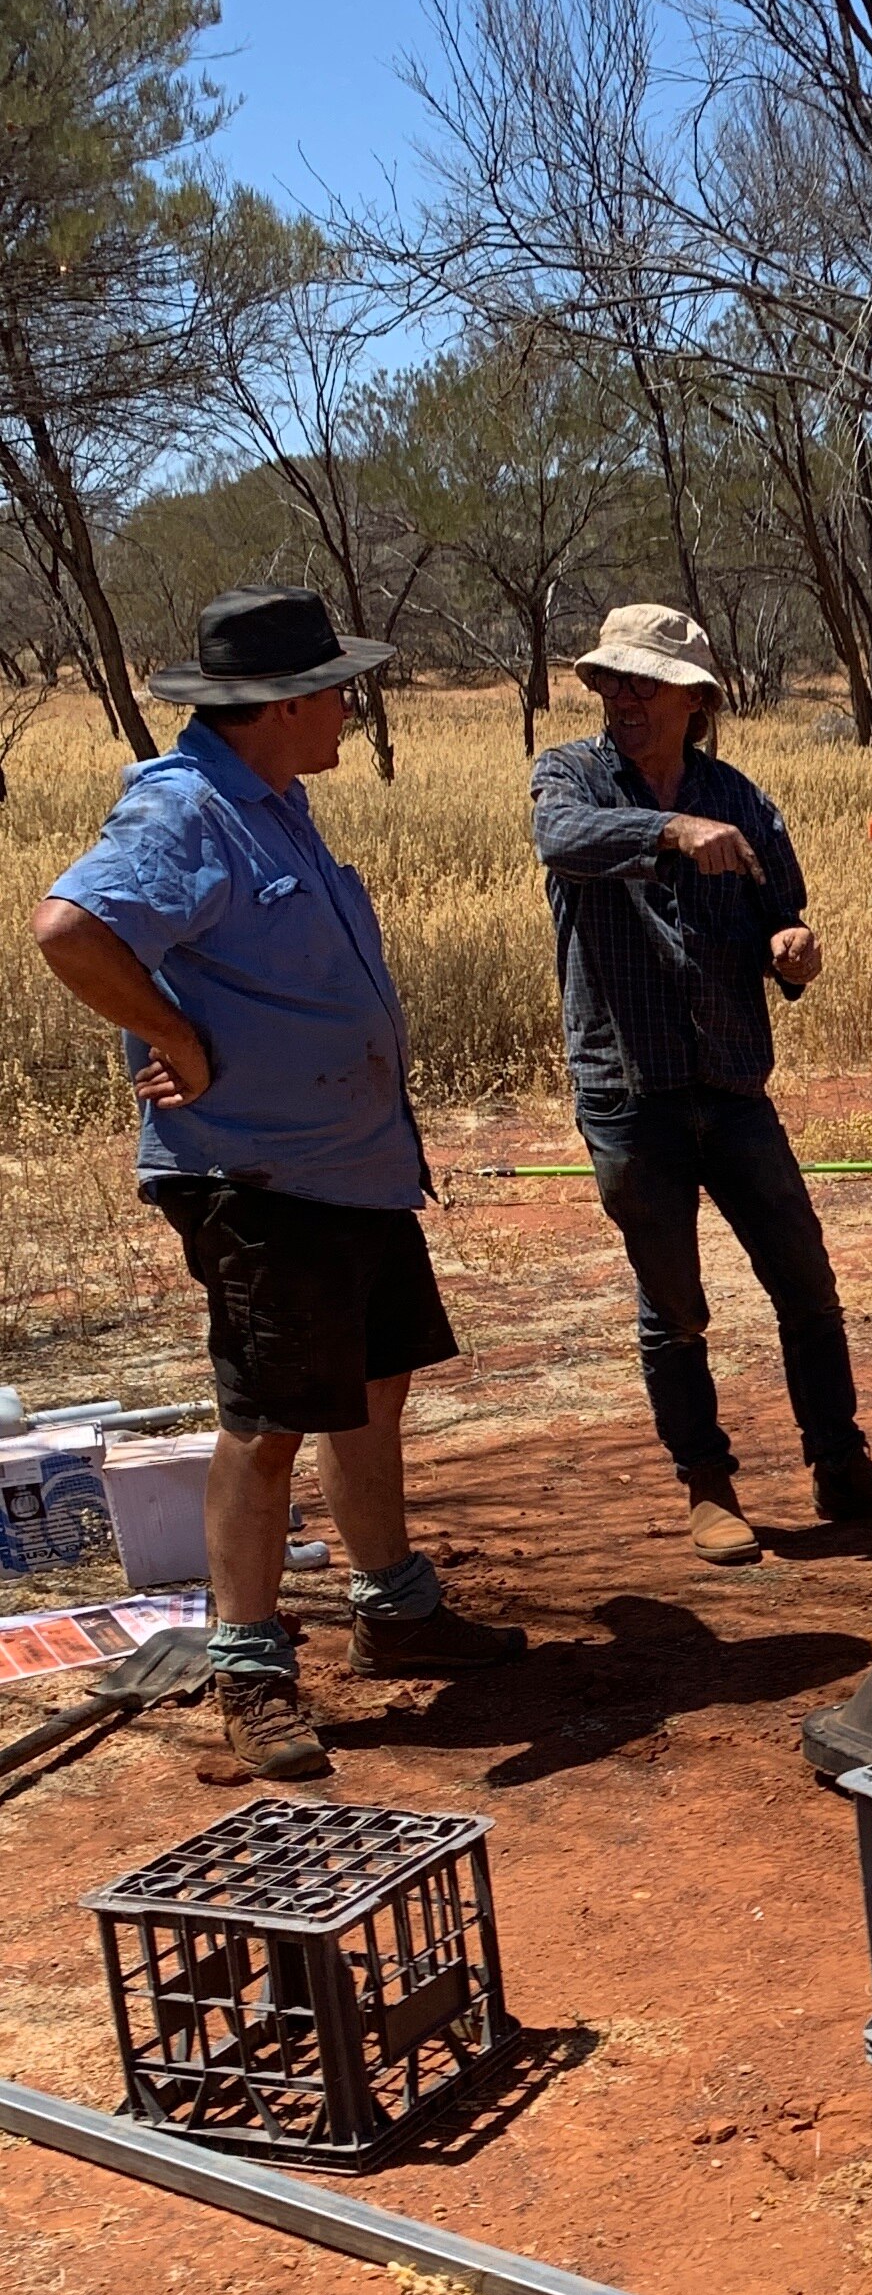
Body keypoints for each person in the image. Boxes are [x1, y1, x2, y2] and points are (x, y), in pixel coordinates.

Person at [33, 588, 528, 1784]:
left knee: (368, 1391)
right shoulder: (187, 807)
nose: (352, 707)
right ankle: (248, 1670)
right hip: (257, 1175)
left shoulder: (278, 806)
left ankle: (395, 1607)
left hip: (350, 1170)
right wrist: (176, 1038)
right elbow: (68, 931)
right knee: (265, 1427)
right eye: (338, 689)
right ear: (284, 704)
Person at [530, 605, 872, 1563]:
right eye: (611, 682)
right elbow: (563, 841)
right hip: (630, 1086)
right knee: (673, 1302)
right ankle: (706, 1484)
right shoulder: (570, 776)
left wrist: (791, 952)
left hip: (730, 1082)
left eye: (644, 684)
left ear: (694, 700)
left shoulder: (743, 799)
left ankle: (840, 1465)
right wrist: (671, 830)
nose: (622, 700)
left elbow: (779, 920)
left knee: (806, 1280)